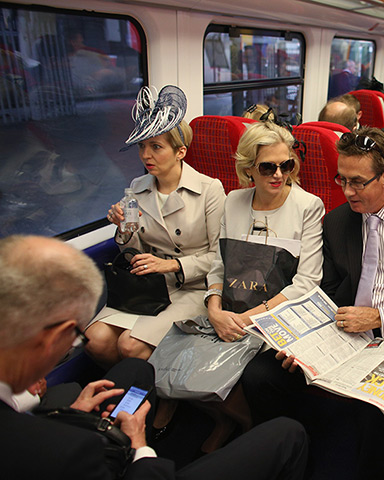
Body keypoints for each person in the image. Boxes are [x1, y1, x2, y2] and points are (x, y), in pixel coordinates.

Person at [241, 127, 384, 479]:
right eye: (341, 179)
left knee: (374, 407)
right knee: (259, 375)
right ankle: (294, 451)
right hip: (342, 329)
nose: (346, 192)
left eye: (358, 182)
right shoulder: (336, 221)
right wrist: (299, 340)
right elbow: (327, 291)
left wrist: (380, 318)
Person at [0, 235, 309, 480]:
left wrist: (72, 414)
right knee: (287, 432)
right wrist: (138, 448)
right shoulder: (70, 454)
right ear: (55, 337)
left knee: (136, 369)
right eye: (75, 337)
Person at [85, 86, 225, 366]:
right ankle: (129, 388)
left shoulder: (210, 189)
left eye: (156, 147)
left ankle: (153, 401)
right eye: (142, 146)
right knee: (96, 340)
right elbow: (135, 250)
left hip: (193, 288)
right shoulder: (138, 188)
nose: (146, 155)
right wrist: (124, 229)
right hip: (148, 287)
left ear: (180, 152)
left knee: (130, 344)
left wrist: (173, 265)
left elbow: (220, 258)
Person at [205, 120, 324, 341]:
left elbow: (306, 282)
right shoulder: (233, 201)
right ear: (248, 168)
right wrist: (214, 311)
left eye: (285, 165)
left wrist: (244, 320)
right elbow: (219, 266)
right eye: (268, 167)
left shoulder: (308, 206)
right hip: (232, 311)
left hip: (280, 317)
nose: (278, 175)